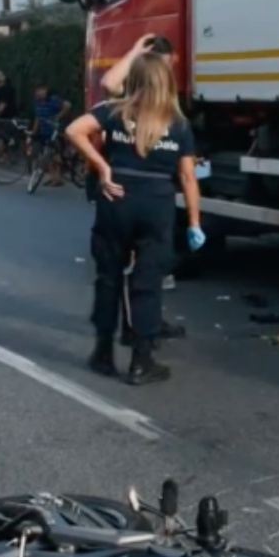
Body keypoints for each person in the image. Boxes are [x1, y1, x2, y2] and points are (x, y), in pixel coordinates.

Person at [65, 54, 207, 385]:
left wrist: (102, 167)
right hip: (155, 205)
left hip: (116, 199)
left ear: (135, 81)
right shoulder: (178, 123)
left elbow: (74, 130)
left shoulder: (115, 111)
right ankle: (142, 361)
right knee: (147, 283)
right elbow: (188, 178)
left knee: (108, 276)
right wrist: (195, 224)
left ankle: (102, 352)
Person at [99, 33, 186, 343]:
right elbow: (109, 84)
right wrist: (135, 50)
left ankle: (147, 322)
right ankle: (135, 331)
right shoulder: (131, 95)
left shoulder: (169, 99)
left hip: (154, 189)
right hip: (134, 189)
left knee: (152, 269)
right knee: (136, 268)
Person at [30, 84, 71, 186]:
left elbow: (67, 106)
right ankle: (53, 177)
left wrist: (58, 116)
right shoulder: (38, 102)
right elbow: (38, 117)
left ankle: (58, 178)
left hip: (55, 130)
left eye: (42, 90)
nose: (39, 93)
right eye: (38, 91)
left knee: (54, 154)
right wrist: (34, 131)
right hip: (44, 131)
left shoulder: (53, 100)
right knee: (45, 155)